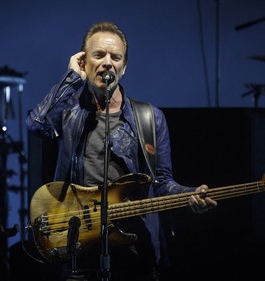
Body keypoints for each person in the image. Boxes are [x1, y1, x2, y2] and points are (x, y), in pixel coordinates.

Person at [26, 21, 217, 281]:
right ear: (83, 62)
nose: (107, 62)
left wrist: (189, 195)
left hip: (136, 253)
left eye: (115, 57)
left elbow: (161, 182)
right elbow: (36, 125)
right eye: (98, 55)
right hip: (79, 253)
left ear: (123, 67)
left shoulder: (150, 118)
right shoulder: (70, 112)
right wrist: (71, 78)